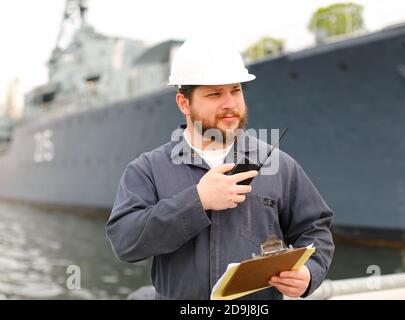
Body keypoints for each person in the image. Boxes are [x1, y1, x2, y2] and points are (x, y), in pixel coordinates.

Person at [106, 37, 334, 300]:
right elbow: (126, 242)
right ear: (184, 103)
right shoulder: (147, 169)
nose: (230, 103)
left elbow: (315, 227)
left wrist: (310, 272)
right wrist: (197, 201)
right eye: (215, 93)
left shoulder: (279, 164)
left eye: (235, 90)